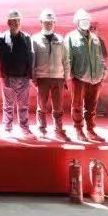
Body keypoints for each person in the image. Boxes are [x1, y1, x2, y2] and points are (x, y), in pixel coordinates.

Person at [65, 9, 106, 142]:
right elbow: (67, 58)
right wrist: (69, 75)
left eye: (87, 20)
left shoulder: (95, 38)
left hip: (95, 78)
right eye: (82, 21)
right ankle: (78, 129)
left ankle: (90, 130)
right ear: (77, 22)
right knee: (77, 105)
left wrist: (103, 70)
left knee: (91, 106)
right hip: (79, 78)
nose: (85, 23)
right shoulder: (71, 37)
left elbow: (100, 57)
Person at [32, 9, 70, 142]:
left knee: (58, 106)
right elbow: (32, 60)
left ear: (54, 23)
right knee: (41, 106)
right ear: (41, 23)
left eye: (51, 22)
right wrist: (34, 78)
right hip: (42, 78)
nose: (49, 24)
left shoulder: (60, 39)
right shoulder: (35, 39)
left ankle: (58, 131)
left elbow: (65, 60)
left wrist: (66, 78)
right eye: (46, 22)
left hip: (58, 78)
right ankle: (41, 130)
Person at [0, 9, 35, 139]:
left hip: (24, 78)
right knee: (8, 105)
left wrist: (29, 75)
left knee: (23, 106)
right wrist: (3, 76)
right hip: (8, 78)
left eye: (18, 20)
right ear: (9, 23)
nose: (17, 23)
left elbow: (30, 56)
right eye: (14, 21)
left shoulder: (27, 38)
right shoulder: (2, 38)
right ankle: (7, 128)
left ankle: (25, 128)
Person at [90, 21, 108, 117]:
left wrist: (103, 68)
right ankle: (98, 110)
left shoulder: (99, 41)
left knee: (93, 90)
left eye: (94, 28)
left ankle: (100, 110)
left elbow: (104, 56)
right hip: (89, 70)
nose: (92, 30)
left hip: (96, 70)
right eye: (91, 28)